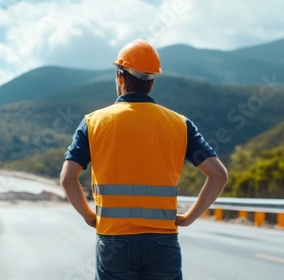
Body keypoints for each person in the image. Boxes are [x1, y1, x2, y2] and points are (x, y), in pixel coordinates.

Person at [59, 39, 228, 280]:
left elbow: (68, 178)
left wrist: (89, 216)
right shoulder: (180, 124)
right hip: (163, 242)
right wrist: (189, 217)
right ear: (152, 81)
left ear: (119, 76)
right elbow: (218, 175)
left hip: (114, 240)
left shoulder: (93, 122)